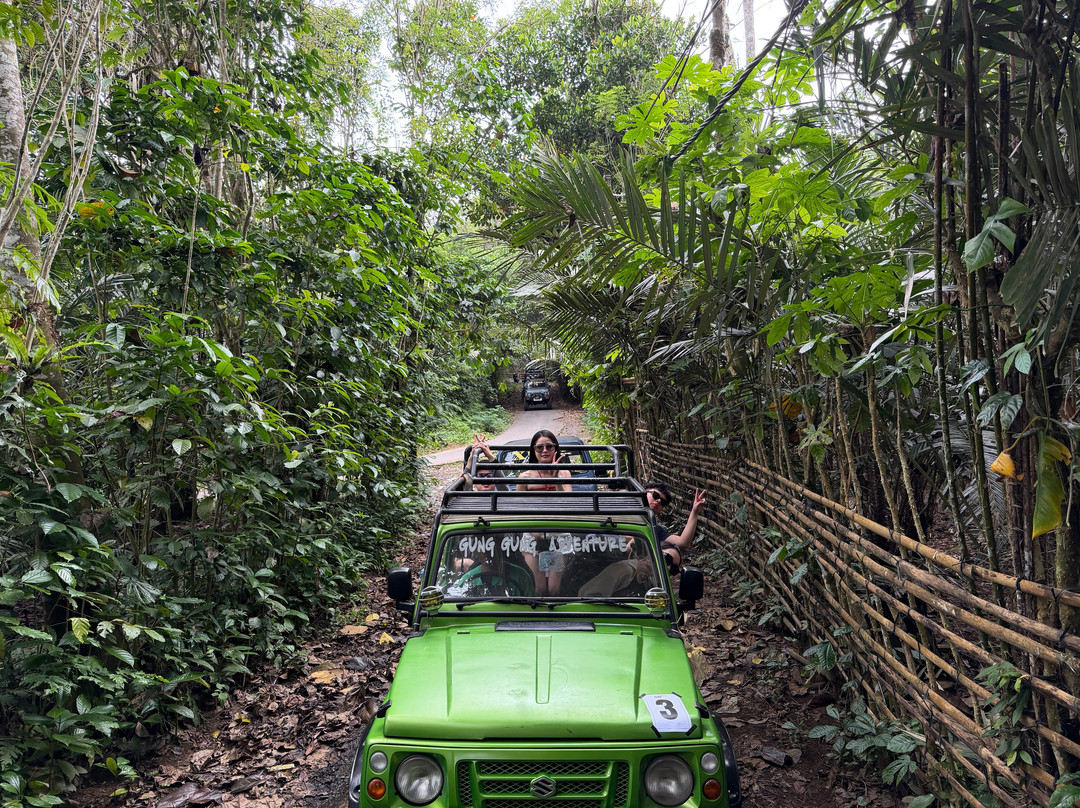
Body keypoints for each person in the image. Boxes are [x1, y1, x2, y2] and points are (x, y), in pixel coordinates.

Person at [643, 482, 706, 574]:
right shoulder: (622, 507)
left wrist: (694, 512)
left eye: (663, 502)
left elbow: (682, 542)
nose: (659, 501)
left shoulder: (654, 529)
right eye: (655, 495)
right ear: (643, 492)